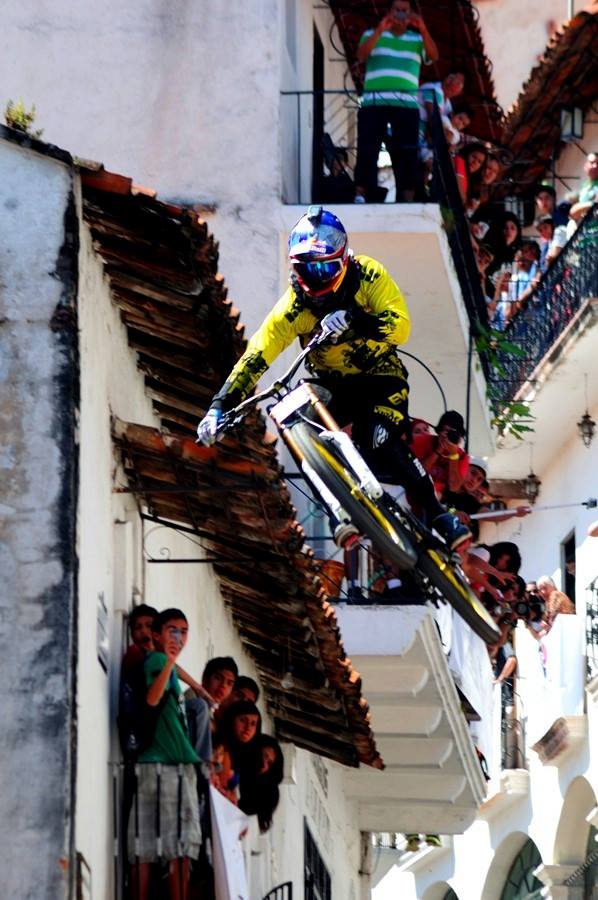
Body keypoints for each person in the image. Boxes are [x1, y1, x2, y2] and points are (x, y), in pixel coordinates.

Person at [196, 206, 471, 551]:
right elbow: (256, 356)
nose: (316, 277)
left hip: (381, 378)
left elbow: (400, 327)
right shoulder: (293, 308)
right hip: (334, 385)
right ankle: (336, 511)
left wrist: (356, 319)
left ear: (342, 260)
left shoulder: (368, 274)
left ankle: (438, 514)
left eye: (325, 267)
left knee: (377, 436)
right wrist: (219, 406)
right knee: (292, 420)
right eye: (306, 268)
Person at [128, 609, 201, 900]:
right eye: (173, 630)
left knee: (144, 847)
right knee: (181, 848)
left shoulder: (161, 662)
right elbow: (152, 699)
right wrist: (170, 661)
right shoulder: (159, 661)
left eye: (184, 631)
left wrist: (196, 685)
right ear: (157, 635)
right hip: (172, 766)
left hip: (151, 764)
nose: (178, 636)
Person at [353, 0, 439, 203]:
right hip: (374, 102)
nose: (400, 14)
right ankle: (361, 194)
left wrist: (423, 28)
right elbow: (361, 55)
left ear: (411, 15)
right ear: (389, 11)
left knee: (407, 152)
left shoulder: (417, 39)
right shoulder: (371, 34)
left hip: (406, 105)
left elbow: (434, 56)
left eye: (404, 11)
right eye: (397, 10)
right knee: (367, 147)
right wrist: (380, 30)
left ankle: (407, 197)